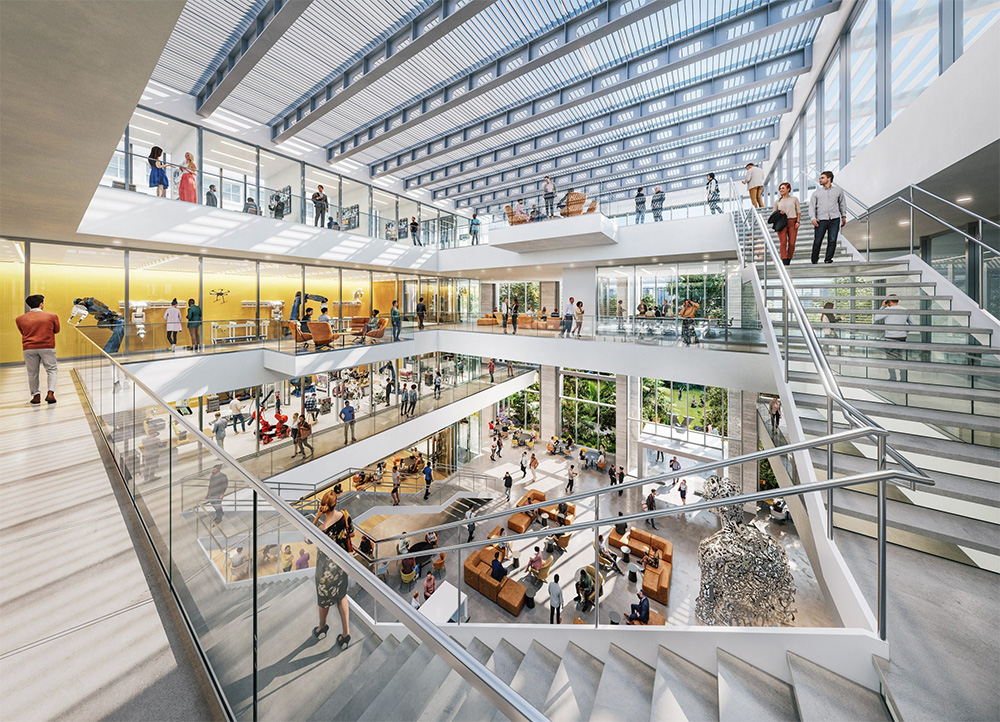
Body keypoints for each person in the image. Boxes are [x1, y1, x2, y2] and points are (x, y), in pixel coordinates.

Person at [311, 491, 353, 649]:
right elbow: (352, 533)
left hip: (324, 572)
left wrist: (316, 516)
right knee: (342, 596)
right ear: (336, 504)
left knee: (324, 601)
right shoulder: (345, 515)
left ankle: (322, 627)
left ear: (323, 507)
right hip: (341, 567)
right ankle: (346, 633)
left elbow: (307, 539)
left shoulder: (321, 529)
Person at [15, 294, 60, 405]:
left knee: (32, 373)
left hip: (29, 348)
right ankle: (50, 393)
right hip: (47, 347)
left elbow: (23, 332)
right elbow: (57, 330)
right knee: (52, 370)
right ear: (41, 304)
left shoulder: (19, 319)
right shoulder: (52, 316)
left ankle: (36, 396)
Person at [809, 170, 847, 264]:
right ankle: (814, 260)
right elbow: (812, 207)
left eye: (822, 178)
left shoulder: (838, 191)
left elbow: (842, 204)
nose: (820, 180)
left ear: (829, 178)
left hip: (834, 219)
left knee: (832, 240)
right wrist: (813, 218)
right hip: (820, 220)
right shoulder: (816, 193)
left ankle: (828, 259)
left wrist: (843, 216)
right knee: (818, 241)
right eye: (820, 178)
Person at [875, 294, 915, 382]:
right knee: (900, 357)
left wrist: (882, 307)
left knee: (890, 358)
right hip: (902, 337)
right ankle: (903, 378)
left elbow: (876, 318)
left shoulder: (887, 310)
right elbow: (913, 324)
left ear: (888, 301)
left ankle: (893, 378)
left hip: (890, 337)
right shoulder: (905, 310)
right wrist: (904, 331)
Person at [773, 182, 801, 265]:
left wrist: (798, 221)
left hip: (792, 221)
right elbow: (773, 213)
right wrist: (779, 212)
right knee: (783, 242)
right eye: (780, 188)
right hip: (781, 223)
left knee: (792, 243)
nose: (781, 190)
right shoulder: (777, 201)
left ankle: (789, 257)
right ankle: (784, 259)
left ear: (788, 189)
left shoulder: (794, 199)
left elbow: (798, 211)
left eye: (783, 188)